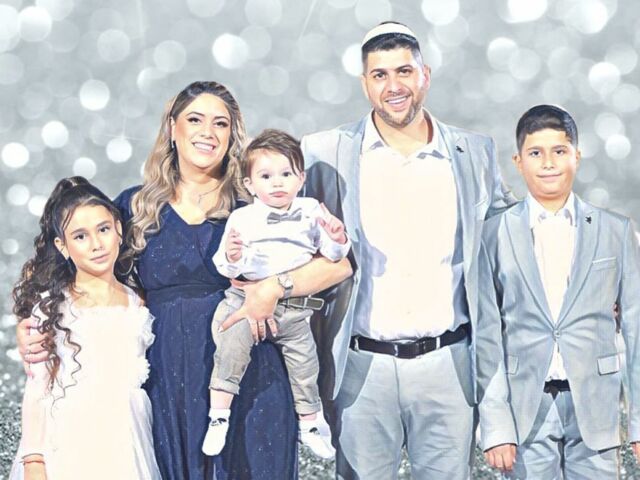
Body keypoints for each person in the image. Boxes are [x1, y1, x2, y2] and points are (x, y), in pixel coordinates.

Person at [16, 82, 352, 480]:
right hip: (167, 382)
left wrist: (273, 286)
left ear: (232, 135)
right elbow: (81, 274)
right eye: (195, 119)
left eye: (220, 123)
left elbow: (339, 267)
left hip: (252, 372)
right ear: (172, 128)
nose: (208, 132)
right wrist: (35, 325)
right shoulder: (135, 207)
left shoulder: (257, 202)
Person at [301, 22, 516, 479]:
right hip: (360, 369)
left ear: (425, 75)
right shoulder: (323, 152)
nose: (393, 86)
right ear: (365, 83)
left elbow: (511, 240)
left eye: (404, 71)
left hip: (449, 366)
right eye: (379, 75)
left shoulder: (474, 152)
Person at [476, 104, 640, 478]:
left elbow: (635, 327)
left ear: (576, 156)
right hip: (525, 410)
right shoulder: (493, 234)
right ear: (518, 161)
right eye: (536, 153)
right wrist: (496, 425)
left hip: (597, 407)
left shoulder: (614, 230)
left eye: (559, 151)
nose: (548, 163)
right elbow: (486, 334)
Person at [203, 129, 351, 459]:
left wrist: (338, 237)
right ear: (250, 184)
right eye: (266, 176)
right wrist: (232, 255)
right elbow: (224, 267)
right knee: (231, 349)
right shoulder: (243, 217)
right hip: (245, 300)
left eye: (286, 174)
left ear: (301, 178)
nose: (277, 183)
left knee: (306, 365)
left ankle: (310, 424)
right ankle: (218, 416)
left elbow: (335, 257)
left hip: (294, 308)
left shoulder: (311, 210)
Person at [9, 176, 160, 480]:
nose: (96, 244)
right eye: (80, 236)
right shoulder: (53, 308)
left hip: (126, 442)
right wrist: (34, 459)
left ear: (118, 229)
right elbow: (37, 389)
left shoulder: (139, 301)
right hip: (68, 442)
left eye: (103, 229)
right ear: (62, 246)